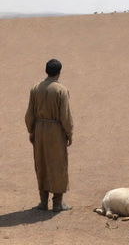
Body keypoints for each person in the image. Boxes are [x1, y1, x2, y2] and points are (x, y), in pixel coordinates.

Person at [25, 59, 73, 212]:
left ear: (46, 71)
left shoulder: (35, 88)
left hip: (39, 129)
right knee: (58, 164)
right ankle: (57, 203)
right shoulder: (61, 90)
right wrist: (69, 133)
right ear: (59, 72)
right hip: (56, 131)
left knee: (41, 163)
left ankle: (43, 202)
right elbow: (65, 116)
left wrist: (32, 131)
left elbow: (29, 114)